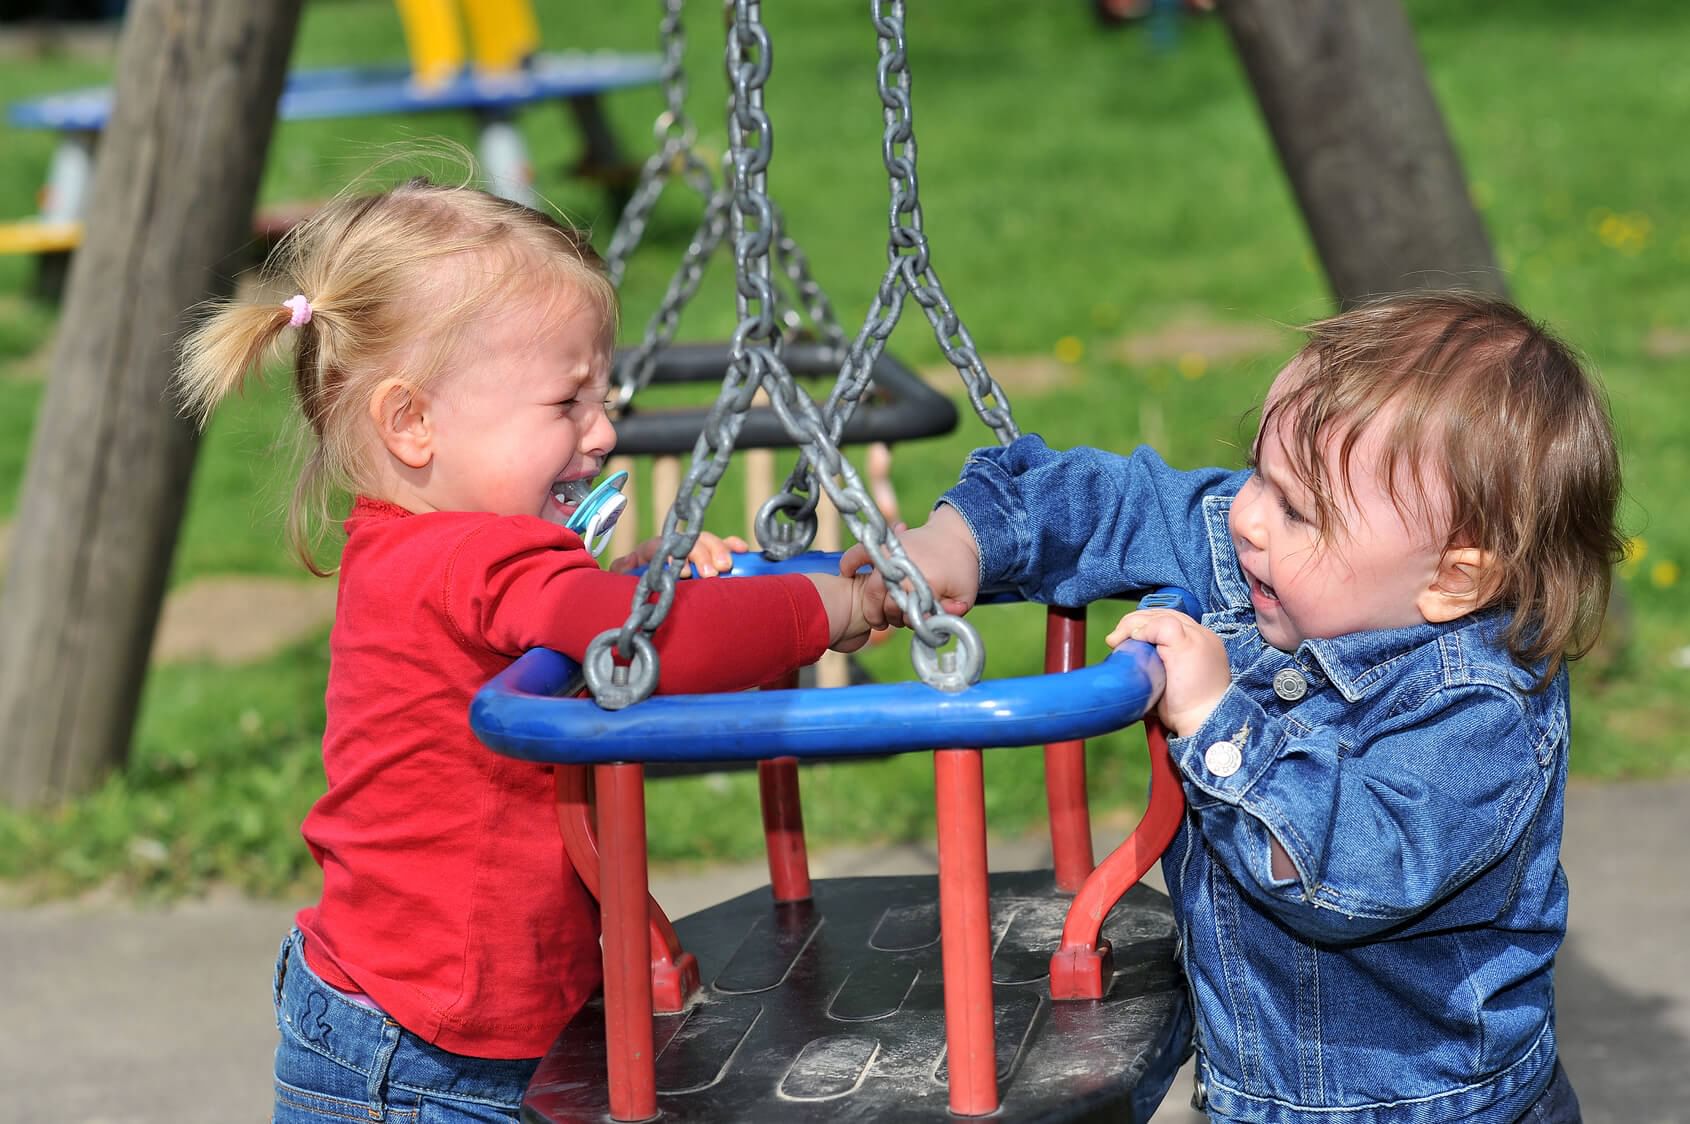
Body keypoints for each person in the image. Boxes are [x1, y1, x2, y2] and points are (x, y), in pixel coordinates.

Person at [175, 175, 873, 1123]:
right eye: (567, 402)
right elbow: (648, 643)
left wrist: (630, 578)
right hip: (426, 1060)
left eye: (605, 395)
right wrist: (829, 604)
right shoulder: (474, 554)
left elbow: (587, 628)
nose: (606, 430)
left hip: (439, 1022)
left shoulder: (425, 546)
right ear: (411, 422)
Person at [843, 292, 1620, 1123]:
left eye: (1297, 509)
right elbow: (1115, 502)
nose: (1247, 516)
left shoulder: (1481, 711)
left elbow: (1343, 877)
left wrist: (1218, 719)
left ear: (1452, 579)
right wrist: (957, 543)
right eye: (1259, 471)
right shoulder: (1282, 564)